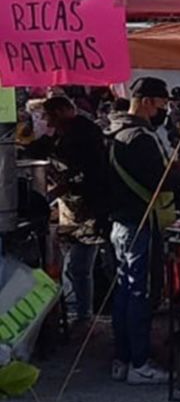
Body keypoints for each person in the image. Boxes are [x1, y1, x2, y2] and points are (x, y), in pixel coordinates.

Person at [106, 77, 180, 385]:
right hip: (139, 221)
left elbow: (155, 171)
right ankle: (139, 362)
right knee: (139, 293)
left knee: (125, 292)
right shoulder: (138, 136)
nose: (164, 112)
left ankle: (123, 358)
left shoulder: (115, 131)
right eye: (162, 105)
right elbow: (157, 180)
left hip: (122, 222)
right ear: (148, 102)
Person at [37, 97, 110, 324]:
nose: (46, 121)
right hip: (72, 207)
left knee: (79, 267)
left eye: (48, 115)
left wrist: (60, 188)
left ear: (61, 111)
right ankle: (80, 312)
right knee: (74, 267)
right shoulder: (62, 134)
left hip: (90, 208)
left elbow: (88, 173)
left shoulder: (84, 133)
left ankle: (84, 315)